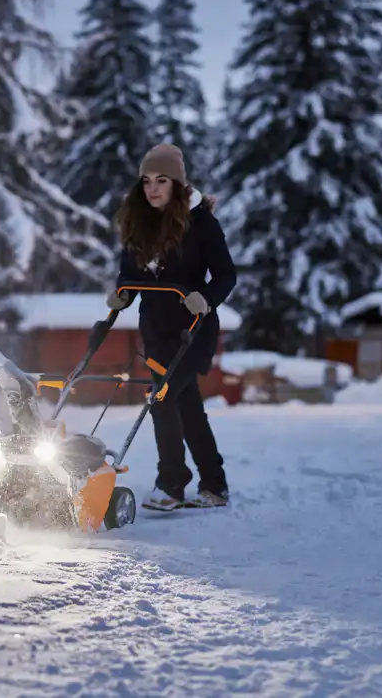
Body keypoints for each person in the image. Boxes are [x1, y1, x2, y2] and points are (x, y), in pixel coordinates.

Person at [106, 142, 237, 511]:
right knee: (187, 407)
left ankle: (172, 483)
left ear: (177, 184)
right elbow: (129, 274)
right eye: (147, 181)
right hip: (157, 330)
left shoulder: (201, 224)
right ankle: (215, 484)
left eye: (162, 180)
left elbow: (227, 275)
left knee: (161, 398)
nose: (152, 188)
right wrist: (121, 295)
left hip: (192, 328)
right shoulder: (138, 222)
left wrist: (206, 298)